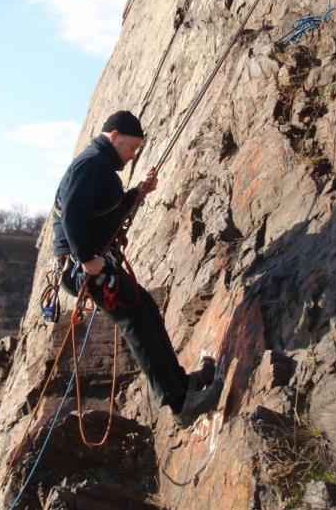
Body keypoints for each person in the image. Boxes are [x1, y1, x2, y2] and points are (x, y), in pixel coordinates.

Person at [52, 110, 222, 427]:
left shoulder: (99, 164)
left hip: (96, 261)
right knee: (137, 323)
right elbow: (72, 215)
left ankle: (183, 385)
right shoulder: (91, 163)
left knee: (146, 311)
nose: (131, 157)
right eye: (131, 148)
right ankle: (179, 403)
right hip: (86, 266)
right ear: (114, 136)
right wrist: (87, 259)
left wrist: (137, 192)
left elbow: (104, 212)